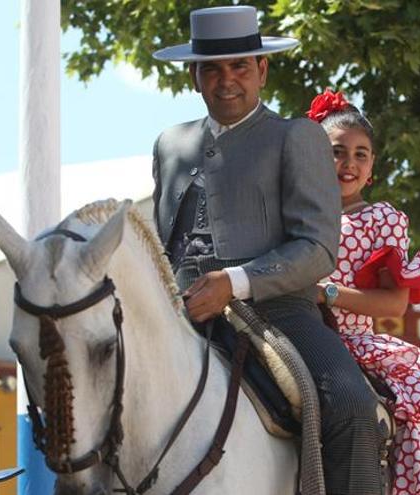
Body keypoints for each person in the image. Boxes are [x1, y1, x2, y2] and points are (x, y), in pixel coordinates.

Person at [151, 7, 384, 494]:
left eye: (240, 66)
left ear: (262, 70)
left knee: (349, 401)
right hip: (177, 308)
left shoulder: (295, 137)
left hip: (278, 310)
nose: (226, 80)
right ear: (194, 76)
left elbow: (318, 248)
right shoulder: (170, 145)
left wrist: (233, 282)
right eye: (212, 68)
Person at [307, 89, 420, 495]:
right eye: (337, 151)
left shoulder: (381, 219)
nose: (348, 163)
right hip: (291, 330)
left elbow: (394, 302)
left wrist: (327, 293)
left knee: (416, 416)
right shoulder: (294, 213)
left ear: (372, 166)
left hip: (354, 342)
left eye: (361, 154)